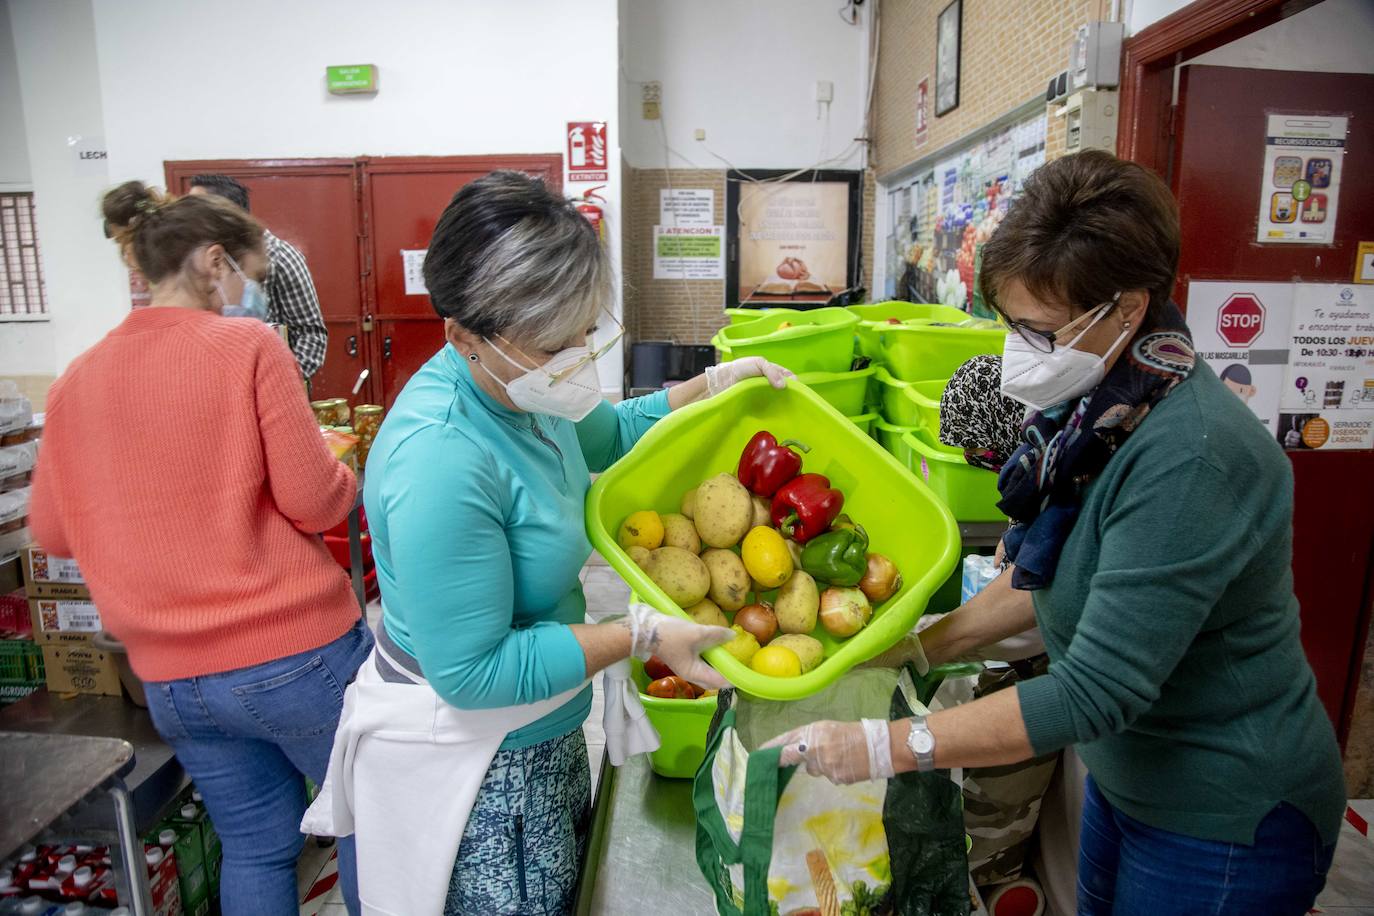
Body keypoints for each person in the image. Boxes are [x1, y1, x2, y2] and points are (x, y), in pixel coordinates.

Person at [764, 150, 1345, 915]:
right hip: (1127, 780)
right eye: (1011, 324)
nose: (1018, 350)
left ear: (1127, 309)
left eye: (1039, 329)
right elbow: (1045, 584)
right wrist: (914, 649)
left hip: (1224, 809)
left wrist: (885, 746)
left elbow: (1095, 690)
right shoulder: (1098, 414)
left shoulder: (1190, 458)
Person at [301, 170, 791, 916]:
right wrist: (639, 633)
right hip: (481, 769)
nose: (574, 359)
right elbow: (473, 671)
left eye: (583, 333)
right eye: (552, 343)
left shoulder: (528, 387)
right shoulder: (441, 458)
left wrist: (714, 386)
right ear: (463, 334)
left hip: (546, 723)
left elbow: (613, 432)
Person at [30, 181, 370, 916]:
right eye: (251, 274)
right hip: (293, 660)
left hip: (173, 683)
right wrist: (344, 469)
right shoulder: (248, 345)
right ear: (214, 262)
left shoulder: (75, 380)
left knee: (256, 846)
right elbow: (314, 501)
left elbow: (53, 532)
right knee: (370, 828)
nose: (250, 292)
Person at [188, 174, 329, 381]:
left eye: (196, 211)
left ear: (226, 213)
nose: (188, 219)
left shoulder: (279, 256)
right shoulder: (203, 259)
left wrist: (282, 383)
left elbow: (311, 334)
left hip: (269, 382)